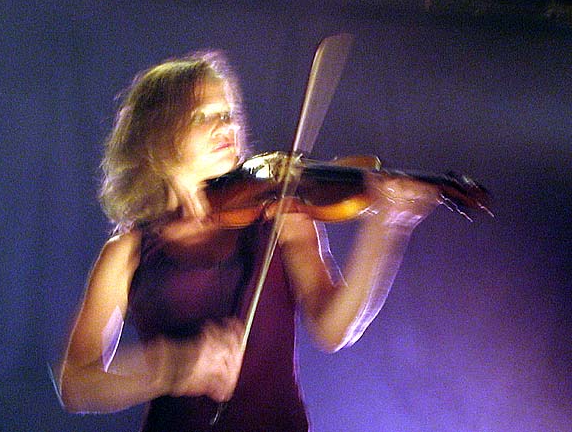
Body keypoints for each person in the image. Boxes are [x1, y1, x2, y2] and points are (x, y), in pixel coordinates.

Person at [56, 51, 439, 431]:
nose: (224, 126)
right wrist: (172, 366)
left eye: (228, 114)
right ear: (158, 136)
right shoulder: (128, 252)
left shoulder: (278, 215)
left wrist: (386, 226)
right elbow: (76, 384)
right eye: (201, 117)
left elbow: (333, 328)